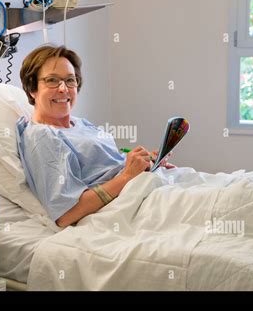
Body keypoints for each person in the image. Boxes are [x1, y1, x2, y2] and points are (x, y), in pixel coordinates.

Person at [17, 45, 174, 228]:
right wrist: (127, 176)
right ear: (31, 88)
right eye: (52, 80)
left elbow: (107, 167)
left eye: (70, 80)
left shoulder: (81, 124)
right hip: (135, 202)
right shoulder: (42, 137)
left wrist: (144, 162)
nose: (63, 89)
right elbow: (66, 215)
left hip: (150, 186)